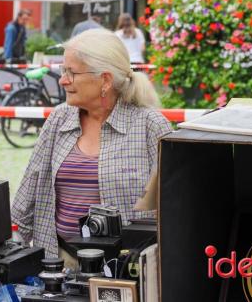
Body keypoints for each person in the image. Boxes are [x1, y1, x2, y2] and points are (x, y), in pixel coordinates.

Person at [11, 29, 172, 264]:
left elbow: (175, 207)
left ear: (105, 80)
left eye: (71, 72)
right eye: (63, 71)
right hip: (61, 261)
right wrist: (14, 258)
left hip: (127, 267)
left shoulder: (151, 126)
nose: (63, 80)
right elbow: (28, 193)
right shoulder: (59, 119)